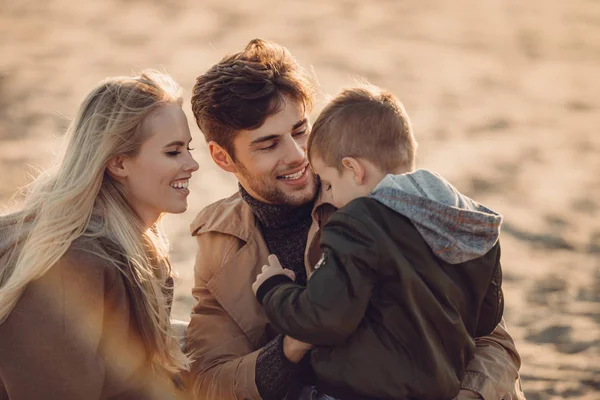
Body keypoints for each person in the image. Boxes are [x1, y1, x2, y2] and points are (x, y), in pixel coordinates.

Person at [184, 38, 524, 400]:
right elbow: (207, 381)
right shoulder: (219, 240)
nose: (298, 154)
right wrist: (293, 346)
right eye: (269, 144)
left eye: (300, 130)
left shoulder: (380, 197)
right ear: (223, 158)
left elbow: (492, 339)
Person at [251, 85, 505, 399]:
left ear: (354, 170)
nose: (328, 195)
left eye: (329, 183)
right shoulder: (469, 222)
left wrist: (274, 289)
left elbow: (323, 318)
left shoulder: (359, 222)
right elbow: (486, 319)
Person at [0, 70, 199, 400]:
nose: (192, 164)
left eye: (188, 149)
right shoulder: (72, 263)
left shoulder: (133, 250)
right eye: (173, 152)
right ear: (119, 164)